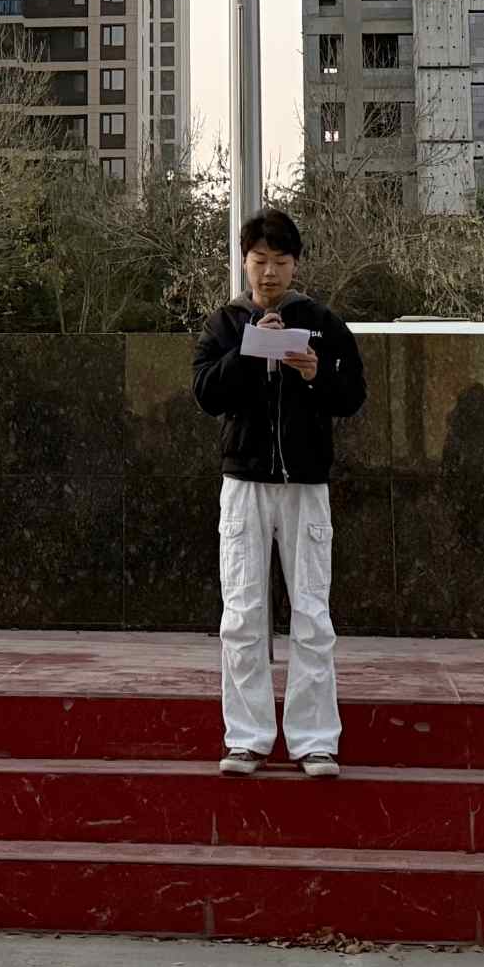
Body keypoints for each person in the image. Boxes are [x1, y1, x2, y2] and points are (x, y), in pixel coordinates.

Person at [190, 208, 366, 776]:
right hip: (244, 482)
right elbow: (205, 394)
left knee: (312, 614)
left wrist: (315, 373)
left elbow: (352, 395)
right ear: (244, 262)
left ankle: (316, 741)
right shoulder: (224, 323)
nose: (269, 272)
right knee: (242, 613)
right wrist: (247, 352)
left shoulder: (322, 322)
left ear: (295, 265)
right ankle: (246, 738)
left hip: (305, 484)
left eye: (280, 261)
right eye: (260, 260)